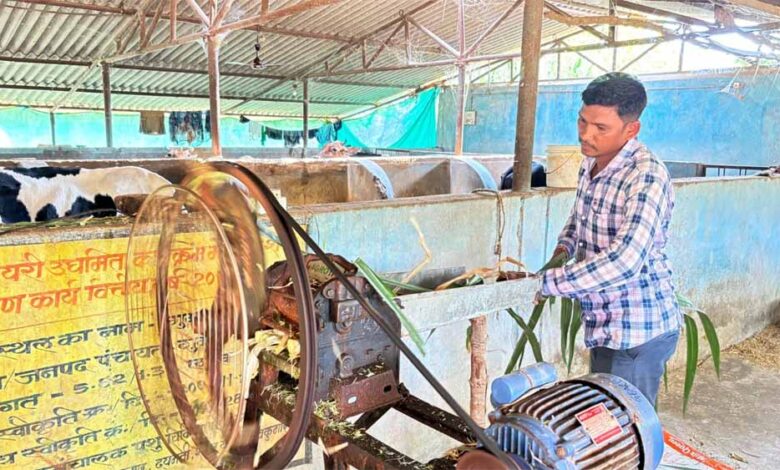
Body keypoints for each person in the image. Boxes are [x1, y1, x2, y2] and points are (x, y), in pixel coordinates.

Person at [537, 72, 682, 405]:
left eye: (601, 128)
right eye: (582, 121)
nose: (586, 135)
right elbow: (579, 216)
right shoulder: (591, 161)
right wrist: (563, 248)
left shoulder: (646, 175)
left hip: (635, 331)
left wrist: (545, 283)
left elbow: (625, 262)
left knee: (625, 425)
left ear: (631, 129)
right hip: (604, 322)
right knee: (604, 413)